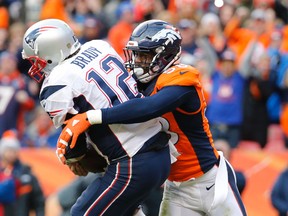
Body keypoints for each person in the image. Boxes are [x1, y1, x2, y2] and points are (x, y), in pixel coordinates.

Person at [57, 19, 247, 216]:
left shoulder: (182, 78)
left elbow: (149, 107)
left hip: (211, 181)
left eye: (145, 56)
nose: (138, 62)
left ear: (166, 55)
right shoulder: (132, 83)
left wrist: (92, 116)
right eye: (137, 55)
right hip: (176, 190)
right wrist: (79, 153)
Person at [22, 18, 173, 216]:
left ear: (50, 52)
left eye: (37, 60)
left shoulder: (56, 83)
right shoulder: (99, 46)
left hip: (132, 161)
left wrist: (74, 157)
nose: (36, 66)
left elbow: (74, 138)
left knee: (80, 213)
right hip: (160, 151)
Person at [0, 129, 45, 216]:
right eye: (8, 150)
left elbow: (38, 200)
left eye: (13, 150)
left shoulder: (25, 173)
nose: (10, 153)